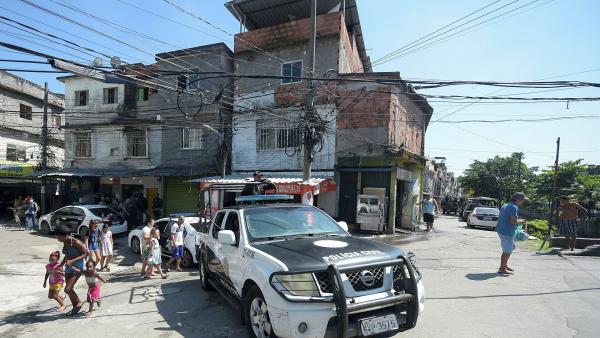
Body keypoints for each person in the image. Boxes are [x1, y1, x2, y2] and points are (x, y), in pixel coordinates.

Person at [55, 224, 89, 316]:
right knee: (70, 289)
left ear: (64, 235)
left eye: (58, 236)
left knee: (67, 289)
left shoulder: (76, 242)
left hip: (77, 267)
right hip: (68, 266)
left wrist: (73, 260)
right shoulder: (65, 241)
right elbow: (67, 254)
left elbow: (86, 253)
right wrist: (61, 265)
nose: (57, 238)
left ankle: (79, 302)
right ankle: (75, 307)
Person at [496, 192, 527, 275]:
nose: (523, 201)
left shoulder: (505, 205)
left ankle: (504, 265)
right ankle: (502, 268)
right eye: (523, 199)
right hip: (507, 232)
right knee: (507, 251)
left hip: (501, 230)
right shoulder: (514, 207)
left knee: (511, 247)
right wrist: (521, 221)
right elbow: (512, 221)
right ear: (518, 199)